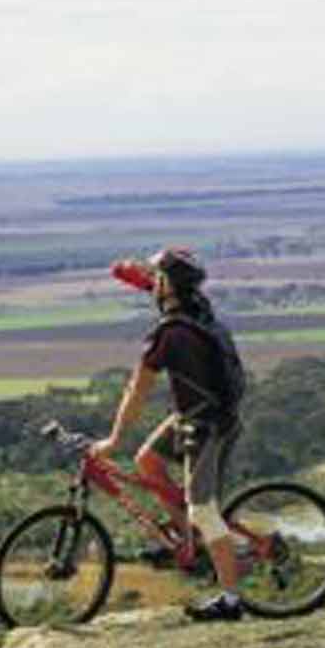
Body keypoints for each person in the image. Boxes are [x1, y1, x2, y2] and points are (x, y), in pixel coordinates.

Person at [93, 245, 248, 622]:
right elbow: (166, 287)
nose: (154, 283)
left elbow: (137, 391)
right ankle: (186, 539)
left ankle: (230, 600)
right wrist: (134, 275)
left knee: (203, 508)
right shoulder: (196, 307)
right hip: (192, 414)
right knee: (147, 461)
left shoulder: (170, 335)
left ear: (169, 285)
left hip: (210, 424)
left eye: (158, 278)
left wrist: (112, 441)